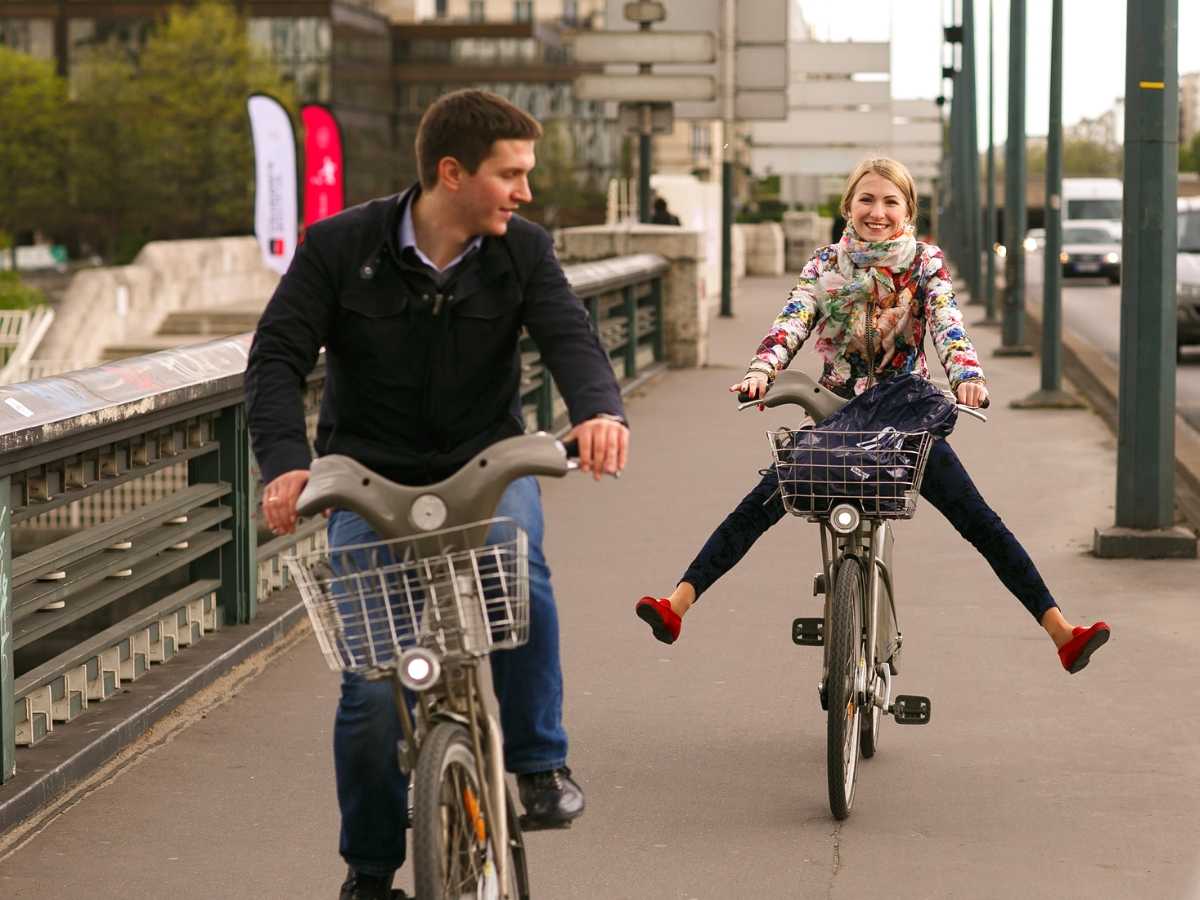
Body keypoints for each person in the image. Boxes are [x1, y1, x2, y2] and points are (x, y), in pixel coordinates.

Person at [246, 89, 630, 900]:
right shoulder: (337, 246)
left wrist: (598, 411)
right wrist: (285, 463)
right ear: (452, 173)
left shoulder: (522, 250)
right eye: (510, 174)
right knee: (371, 689)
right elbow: (275, 360)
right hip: (367, 480)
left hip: (483, 462)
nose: (524, 191)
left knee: (517, 572)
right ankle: (372, 869)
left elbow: (570, 335)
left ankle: (535, 762)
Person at [634, 157, 1110, 676]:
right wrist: (762, 371)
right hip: (836, 411)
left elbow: (949, 324)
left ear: (907, 211)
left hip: (904, 417)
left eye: (890, 201)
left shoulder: (925, 263)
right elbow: (791, 321)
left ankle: (1061, 633)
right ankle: (676, 605)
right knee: (761, 503)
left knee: (981, 522)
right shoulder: (823, 265)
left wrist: (967, 376)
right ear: (848, 207)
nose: (876, 211)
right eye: (866, 199)